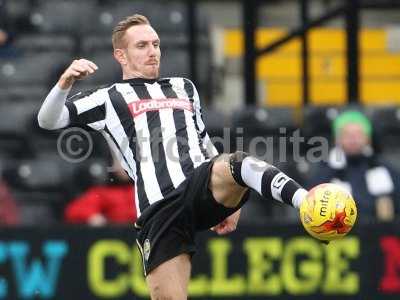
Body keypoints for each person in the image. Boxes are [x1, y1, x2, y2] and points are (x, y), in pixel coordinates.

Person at [37, 14, 311, 299]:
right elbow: (48, 120)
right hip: (159, 209)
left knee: (240, 162)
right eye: (141, 45)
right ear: (121, 55)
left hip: (198, 184)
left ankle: (307, 202)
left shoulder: (184, 87)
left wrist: (232, 184)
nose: (153, 51)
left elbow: (205, 143)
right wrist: (65, 83)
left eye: (155, 44)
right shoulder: (109, 97)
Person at [308, 110, 400, 222]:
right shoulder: (326, 169)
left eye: (358, 134)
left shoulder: (383, 168)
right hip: (338, 232)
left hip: (376, 232)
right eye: (347, 135)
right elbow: (311, 204)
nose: (353, 139)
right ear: (337, 139)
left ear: (368, 138)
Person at [64, 163, 137, 226]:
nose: (125, 166)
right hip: (116, 236)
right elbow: (73, 210)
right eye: (121, 162)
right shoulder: (103, 191)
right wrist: (91, 216)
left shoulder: (144, 188)